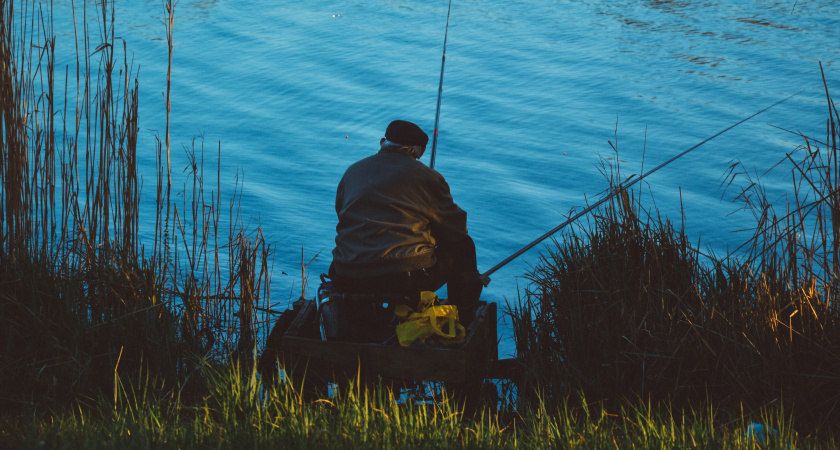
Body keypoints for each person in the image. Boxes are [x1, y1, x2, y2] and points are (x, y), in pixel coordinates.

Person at [329, 119, 482, 321]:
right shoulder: (428, 177)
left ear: (383, 141)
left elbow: (342, 214)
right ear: (418, 151)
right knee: (464, 247)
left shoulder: (352, 172)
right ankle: (463, 316)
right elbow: (457, 230)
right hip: (403, 280)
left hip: (346, 275)